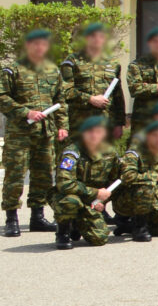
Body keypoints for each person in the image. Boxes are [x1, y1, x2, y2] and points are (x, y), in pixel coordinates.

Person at [1, 26, 66, 236]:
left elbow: (60, 100)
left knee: (44, 176)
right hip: (20, 133)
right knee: (15, 175)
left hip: (45, 133)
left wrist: (62, 125)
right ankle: (11, 218)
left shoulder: (52, 70)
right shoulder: (12, 70)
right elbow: (2, 97)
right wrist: (26, 112)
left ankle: (37, 216)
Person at [53, 113, 122, 248]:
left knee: (99, 238)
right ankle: (63, 232)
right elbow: (64, 183)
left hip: (95, 200)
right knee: (69, 201)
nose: (94, 136)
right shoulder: (72, 153)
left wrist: (102, 200)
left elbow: (115, 181)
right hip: (71, 195)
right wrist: (95, 193)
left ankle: (78, 225)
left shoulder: (110, 153)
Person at [59, 20, 124, 139]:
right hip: (79, 123)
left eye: (101, 36)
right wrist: (90, 99)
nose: (97, 39)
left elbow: (118, 95)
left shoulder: (113, 64)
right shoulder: (72, 61)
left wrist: (119, 124)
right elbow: (65, 91)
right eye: (92, 36)